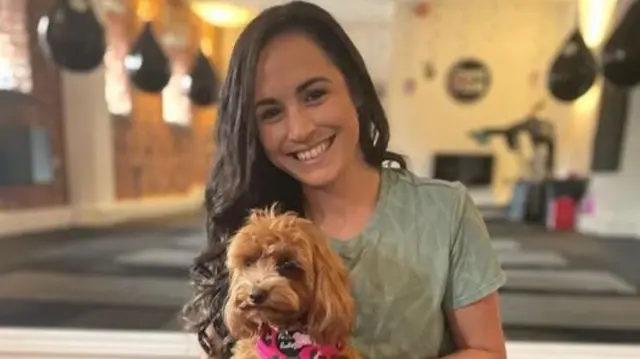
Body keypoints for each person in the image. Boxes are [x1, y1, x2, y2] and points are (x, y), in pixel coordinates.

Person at [182, 2, 507, 359]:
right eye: (271, 113)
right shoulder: (249, 224)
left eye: (315, 94)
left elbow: (486, 352)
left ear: (355, 90)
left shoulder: (446, 212)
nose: (301, 129)